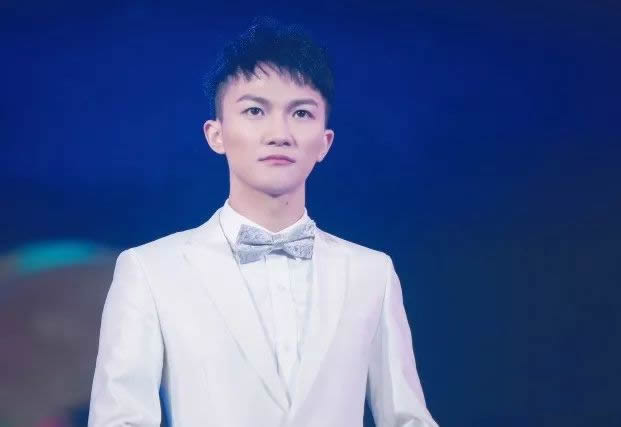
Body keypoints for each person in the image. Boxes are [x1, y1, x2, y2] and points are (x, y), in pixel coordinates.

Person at [88, 17, 438, 427]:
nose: (279, 133)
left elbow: (407, 418)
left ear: (325, 142)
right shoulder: (151, 270)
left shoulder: (371, 273)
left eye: (301, 113)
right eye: (255, 110)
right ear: (216, 134)